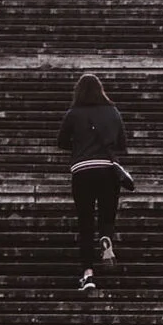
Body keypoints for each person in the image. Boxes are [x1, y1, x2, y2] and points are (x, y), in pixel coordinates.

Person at [55, 73, 127, 294]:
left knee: (85, 222)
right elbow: (121, 143)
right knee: (107, 215)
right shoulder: (113, 112)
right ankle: (106, 237)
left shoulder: (73, 113)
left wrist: (79, 147)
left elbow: (61, 142)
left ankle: (88, 274)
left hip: (82, 170)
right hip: (106, 169)